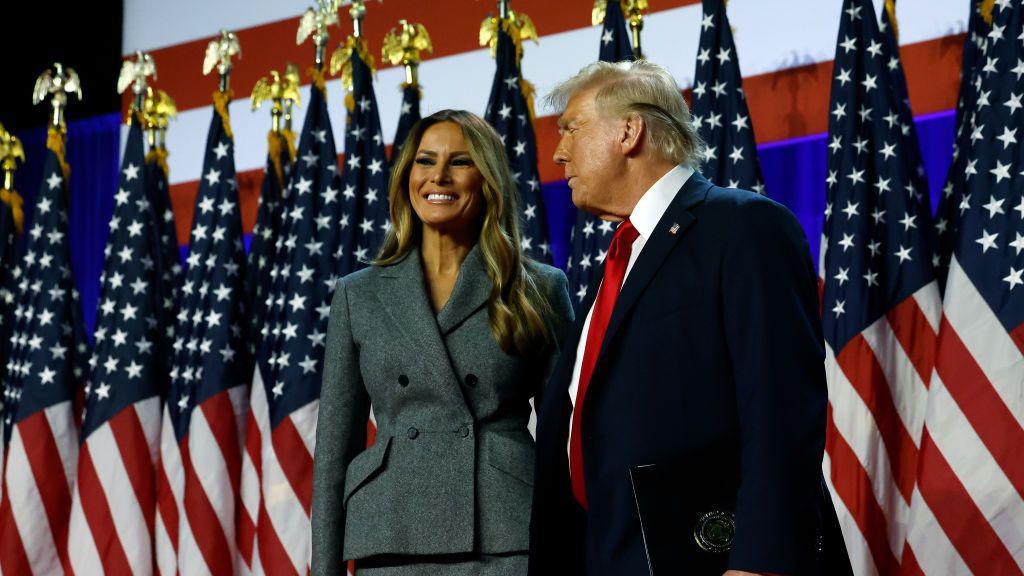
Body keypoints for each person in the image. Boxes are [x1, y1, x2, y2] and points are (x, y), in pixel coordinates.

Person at [528, 60, 851, 576]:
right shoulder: (620, 258)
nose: (559, 151)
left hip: (709, 557)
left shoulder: (744, 226)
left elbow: (782, 406)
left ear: (629, 131)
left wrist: (760, 562)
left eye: (571, 128)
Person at [311, 109, 574, 576]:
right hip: (391, 534)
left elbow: (569, 438)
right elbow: (335, 451)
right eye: (425, 161)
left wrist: (577, 549)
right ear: (406, 177)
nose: (438, 176)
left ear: (487, 178)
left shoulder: (539, 287)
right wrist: (326, 568)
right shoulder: (359, 295)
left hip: (506, 533)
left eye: (460, 162)